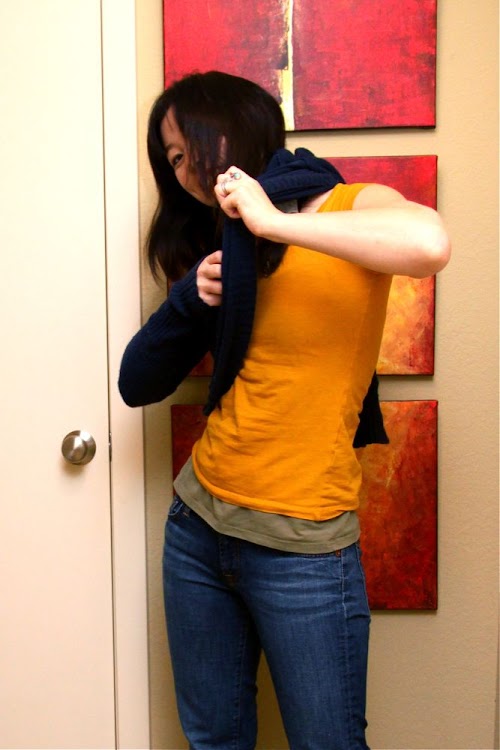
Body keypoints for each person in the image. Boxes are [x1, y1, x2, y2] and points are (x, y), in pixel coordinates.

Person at [119, 70, 450, 750]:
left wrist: (272, 220)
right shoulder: (219, 241)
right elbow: (136, 381)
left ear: (236, 123)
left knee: (329, 742)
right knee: (214, 739)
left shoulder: (349, 204)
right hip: (198, 529)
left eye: (190, 146)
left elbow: (429, 245)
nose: (183, 171)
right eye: (171, 160)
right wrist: (189, 298)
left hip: (304, 548)